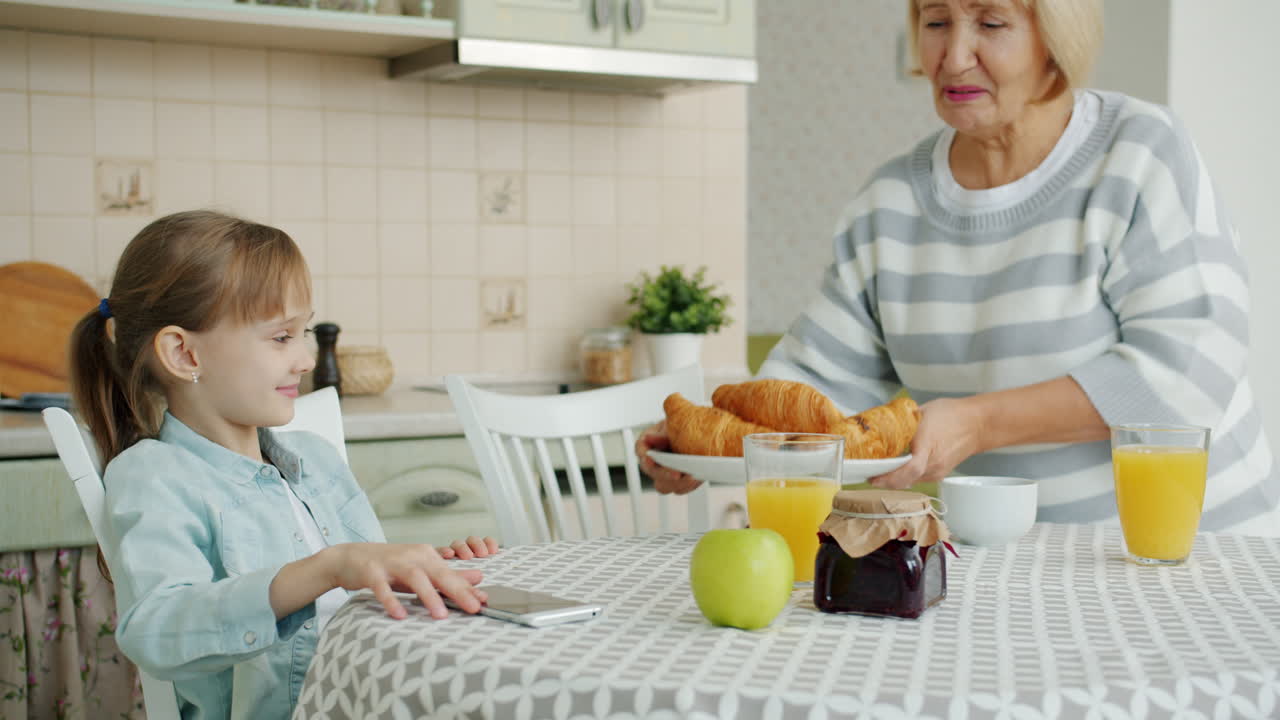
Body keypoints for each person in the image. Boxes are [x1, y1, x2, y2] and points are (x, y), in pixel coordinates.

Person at [640, 0, 1280, 536]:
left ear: (1053, 38)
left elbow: (1187, 376)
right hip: (1010, 573)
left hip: (1200, 561)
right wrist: (715, 446)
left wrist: (977, 422)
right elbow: (811, 393)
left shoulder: (1140, 153)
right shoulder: (888, 206)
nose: (953, 54)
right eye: (937, 19)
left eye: (991, 23)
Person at [68, 210, 501, 719]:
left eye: (305, 333)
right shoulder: (156, 476)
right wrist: (329, 567)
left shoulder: (315, 461)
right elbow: (157, 630)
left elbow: (363, 587)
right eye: (280, 338)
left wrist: (425, 572)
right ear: (184, 354)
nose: (305, 359)